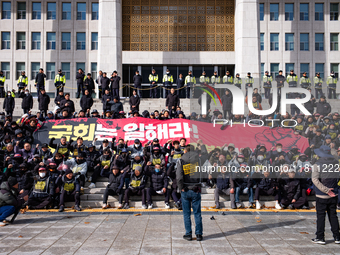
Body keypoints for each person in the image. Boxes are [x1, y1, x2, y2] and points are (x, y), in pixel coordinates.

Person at [311, 145, 340, 244]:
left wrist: (326, 190)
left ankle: (320, 237)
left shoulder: (317, 164)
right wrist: (333, 188)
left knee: (321, 216)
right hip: (334, 194)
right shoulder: (336, 163)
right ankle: (337, 237)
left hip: (321, 194)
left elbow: (315, 179)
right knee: (333, 216)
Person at [176, 144, 203, 241]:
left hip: (185, 189)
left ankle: (188, 234)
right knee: (197, 213)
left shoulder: (181, 160)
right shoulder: (199, 160)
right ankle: (199, 234)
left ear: (185, 151)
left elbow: (179, 177)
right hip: (196, 189)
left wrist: (181, 187)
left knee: (186, 214)